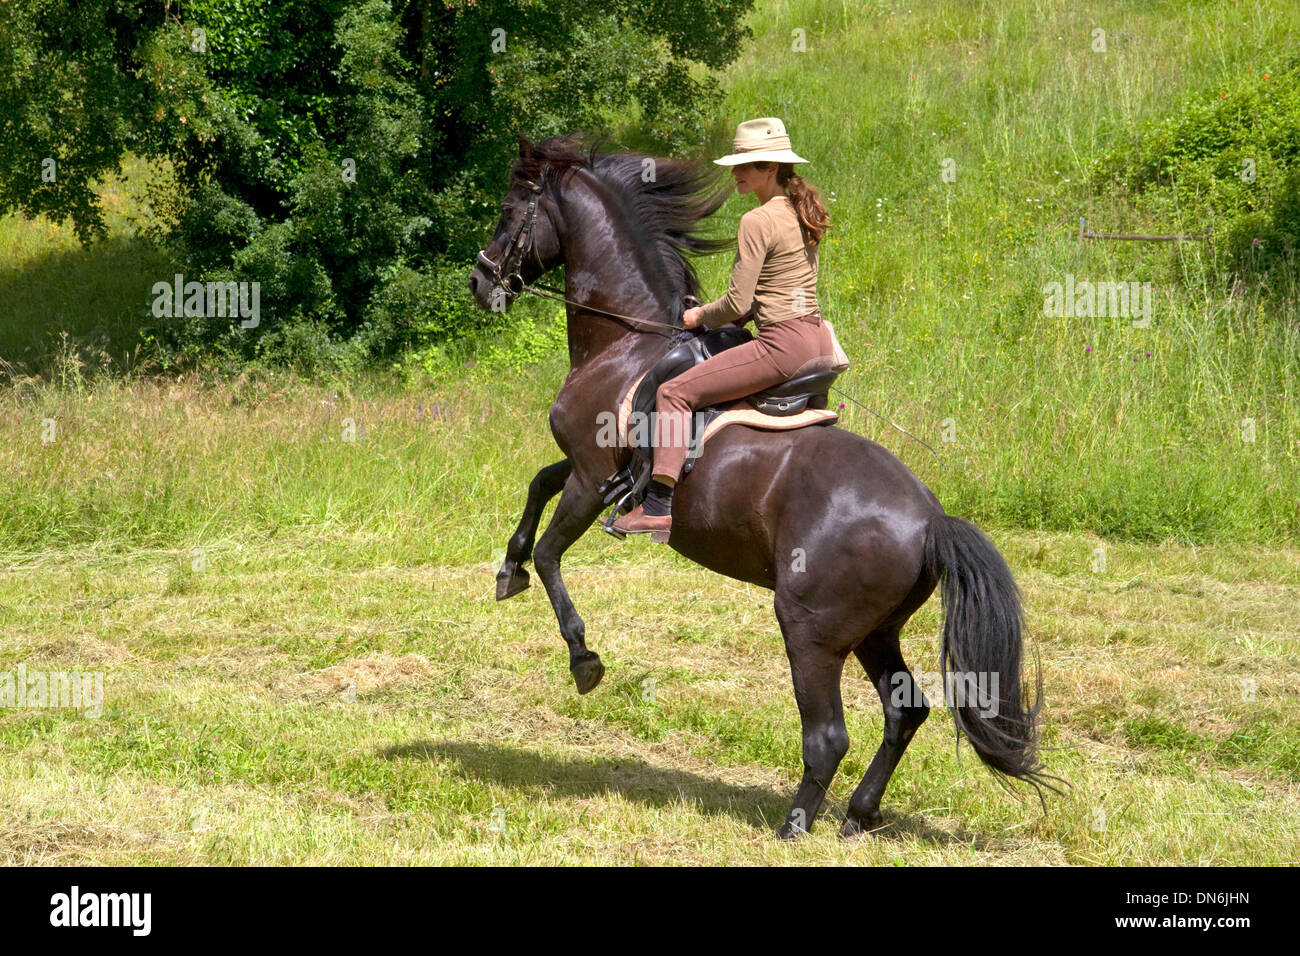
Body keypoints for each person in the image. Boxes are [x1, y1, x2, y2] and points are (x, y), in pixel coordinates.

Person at [614, 117, 837, 537]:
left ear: (770, 169)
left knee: (674, 392)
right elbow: (777, 290)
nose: (736, 173)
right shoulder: (800, 211)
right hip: (818, 340)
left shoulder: (756, 221)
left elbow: (737, 300)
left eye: (745, 165)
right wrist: (745, 314)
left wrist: (699, 316)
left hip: (783, 345)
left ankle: (658, 505)